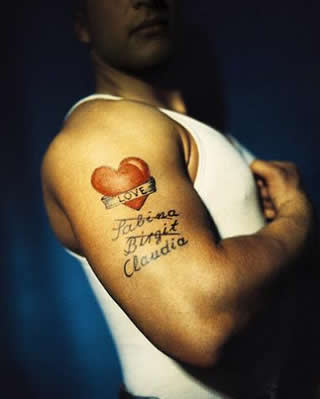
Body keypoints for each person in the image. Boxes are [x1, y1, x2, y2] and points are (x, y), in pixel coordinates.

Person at [41, 0, 317, 398]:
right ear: (83, 25)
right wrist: (297, 221)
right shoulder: (103, 134)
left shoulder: (192, 132)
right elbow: (202, 323)